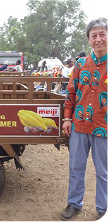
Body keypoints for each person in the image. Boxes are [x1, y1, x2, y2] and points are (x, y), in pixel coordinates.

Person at [61, 18, 107, 221]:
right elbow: (71, 93)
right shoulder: (80, 64)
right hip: (79, 125)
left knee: (103, 172)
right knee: (76, 167)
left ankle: (103, 208)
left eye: (102, 34)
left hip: (104, 127)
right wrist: (67, 119)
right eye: (94, 35)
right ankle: (74, 203)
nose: (98, 39)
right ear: (89, 39)